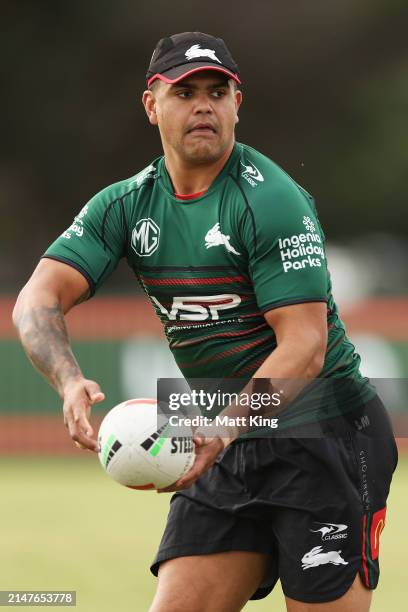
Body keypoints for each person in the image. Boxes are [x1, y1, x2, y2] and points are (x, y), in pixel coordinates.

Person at [13, 31, 397, 612]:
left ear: (237, 104)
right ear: (151, 105)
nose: (203, 105)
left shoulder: (270, 200)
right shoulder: (126, 204)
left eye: (218, 92)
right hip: (223, 433)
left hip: (326, 433)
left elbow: (306, 349)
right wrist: (67, 380)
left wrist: (221, 428)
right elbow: (36, 299)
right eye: (185, 91)